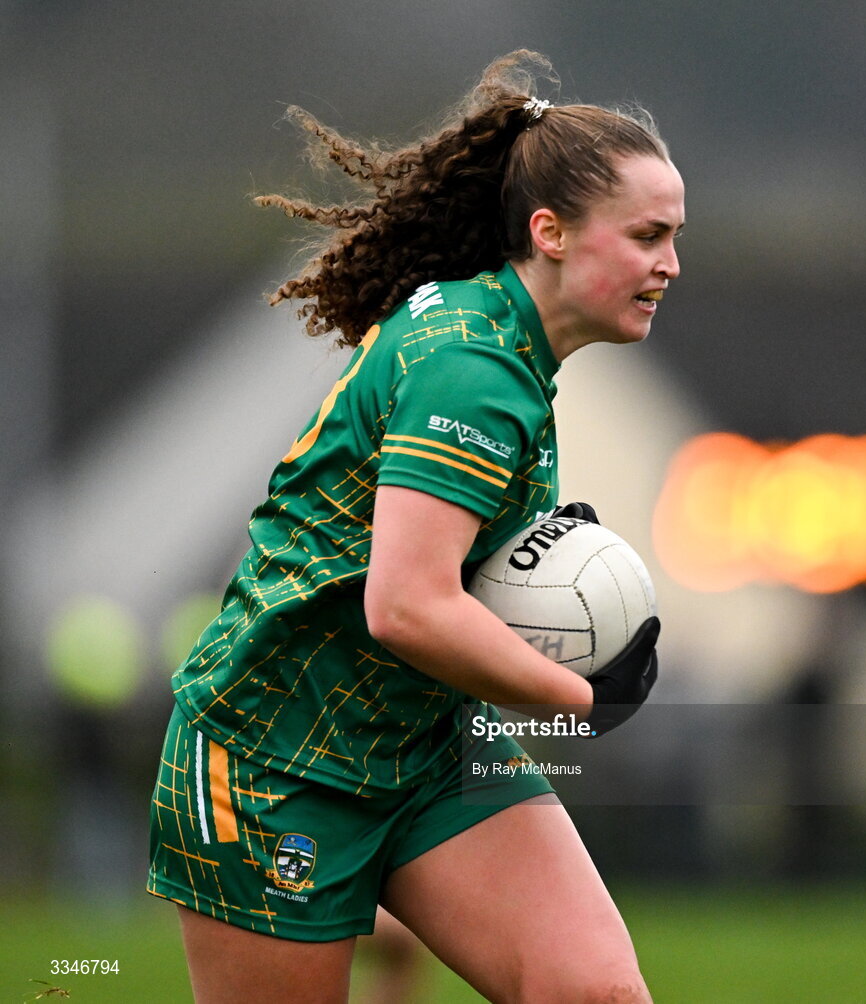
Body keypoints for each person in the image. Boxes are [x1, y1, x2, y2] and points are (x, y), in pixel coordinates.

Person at [147, 50, 682, 1003]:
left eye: (674, 237)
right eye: (647, 236)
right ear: (551, 232)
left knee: (595, 992)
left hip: (425, 744)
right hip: (277, 758)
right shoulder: (475, 367)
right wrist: (577, 697)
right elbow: (406, 606)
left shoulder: (502, 342)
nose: (669, 265)